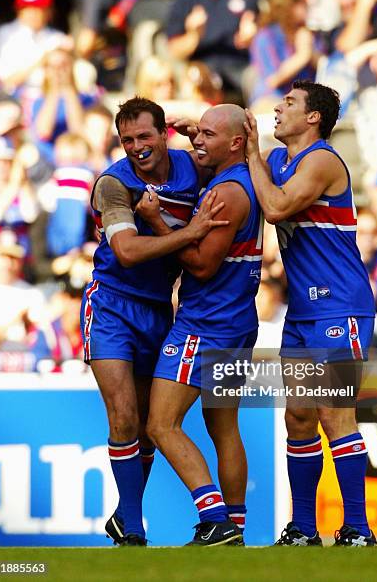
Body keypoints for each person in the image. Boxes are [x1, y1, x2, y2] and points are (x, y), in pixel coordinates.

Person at [80, 96, 228, 547]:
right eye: (127, 140)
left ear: (163, 134)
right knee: (123, 417)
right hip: (111, 305)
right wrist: (188, 232)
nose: (136, 147)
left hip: (160, 309)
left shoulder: (192, 168)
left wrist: (196, 129)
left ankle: (125, 517)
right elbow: (125, 252)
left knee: (147, 423)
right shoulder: (113, 183)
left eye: (145, 136)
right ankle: (135, 526)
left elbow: (232, 144)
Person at [244, 80, 377, 547]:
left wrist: (250, 155)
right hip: (303, 311)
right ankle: (303, 528)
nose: (278, 109)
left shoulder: (321, 159)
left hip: (340, 306)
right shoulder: (279, 160)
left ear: (314, 117)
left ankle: (357, 528)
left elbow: (276, 207)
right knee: (298, 417)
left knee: (334, 413)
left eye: (289, 103)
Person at [138, 104, 262, 546]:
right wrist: (197, 124)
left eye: (208, 135)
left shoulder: (225, 194)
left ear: (234, 143)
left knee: (160, 424)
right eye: (197, 134)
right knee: (224, 427)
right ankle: (236, 530)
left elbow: (202, 264)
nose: (196, 142)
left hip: (205, 323)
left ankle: (215, 519)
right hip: (238, 319)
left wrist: (155, 221)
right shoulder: (247, 177)